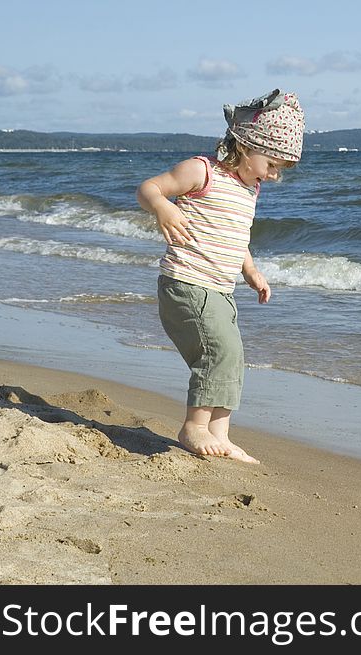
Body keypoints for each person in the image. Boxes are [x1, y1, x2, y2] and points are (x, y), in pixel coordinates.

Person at [136, 89, 304, 464]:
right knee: (220, 353)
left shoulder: (249, 186)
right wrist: (162, 206)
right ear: (247, 147)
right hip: (187, 282)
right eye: (272, 165)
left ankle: (219, 433)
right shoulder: (202, 170)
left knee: (232, 357)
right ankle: (194, 426)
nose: (274, 176)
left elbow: (235, 234)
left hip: (220, 290)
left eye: (280, 170)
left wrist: (252, 270)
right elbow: (148, 188)